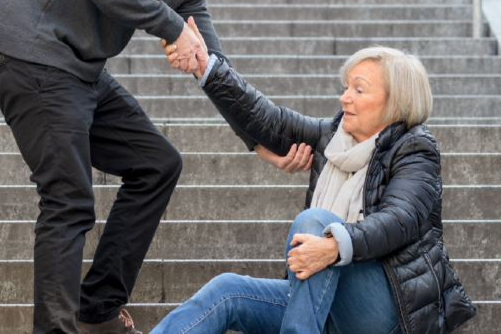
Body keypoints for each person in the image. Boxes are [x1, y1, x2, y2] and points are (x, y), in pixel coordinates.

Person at [0, 0, 264, 333]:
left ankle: (97, 309)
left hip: (80, 70)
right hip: (28, 52)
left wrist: (261, 138)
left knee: (157, 164)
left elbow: (215, 65)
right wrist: (171, 26)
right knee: (69, 197)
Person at [154, 31, 477, 334]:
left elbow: (400, 220)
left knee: (315, 222)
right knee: (226, 291)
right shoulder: (332, 138)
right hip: (324, 302)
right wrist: (206, 67)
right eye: (347, 87)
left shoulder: (414, 148)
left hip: (390, 310)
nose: (344, 97)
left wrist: (335, 246)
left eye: (359, 89)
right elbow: (266, 119)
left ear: (396, 103)